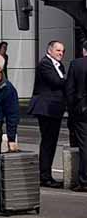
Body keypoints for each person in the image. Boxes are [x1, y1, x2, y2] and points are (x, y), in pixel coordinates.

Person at [28, 40, 67, 187]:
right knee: (48, 142)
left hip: (55, 108)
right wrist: (70, 80)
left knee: (51, 142)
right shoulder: (45, 63)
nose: (61, 54)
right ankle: (44, 176)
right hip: (45, 108)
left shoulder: (59, 65)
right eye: (58, 50)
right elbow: (56, 81)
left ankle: (46, 174)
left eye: (62, 51)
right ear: (50, 50)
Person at [64, 40, 87, 192]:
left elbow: (70, 89)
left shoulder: (76, 64)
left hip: (82, 110)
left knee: (84, 144)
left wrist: (72, 109)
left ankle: (84, 180)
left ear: (84, 50)